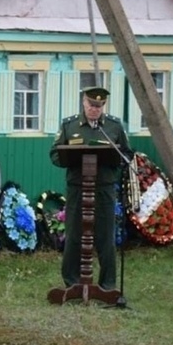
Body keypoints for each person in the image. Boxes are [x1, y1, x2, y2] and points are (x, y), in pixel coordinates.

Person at [50, 86, 130, 291]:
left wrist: (112, 160)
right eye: (91, 105)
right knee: (74, 235)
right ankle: (72, 282)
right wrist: (72, 158)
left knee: (106, 236)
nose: (95, 109)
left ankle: (108, 285)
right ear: (84, 103)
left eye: (99, 106)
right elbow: (55, 154)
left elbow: (126, 154)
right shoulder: (69, 125)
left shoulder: (113, 126)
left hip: (104, 187)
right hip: (78, 187)